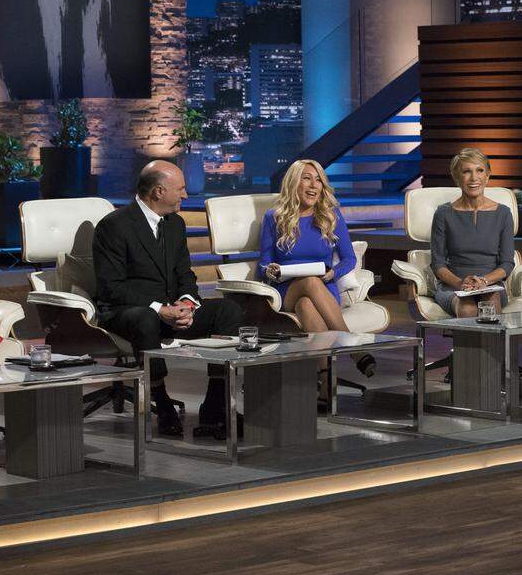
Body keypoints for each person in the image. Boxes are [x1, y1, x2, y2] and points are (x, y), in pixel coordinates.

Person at [93, 160, 243, 439]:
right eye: (181, 189)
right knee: (145, 318)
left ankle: (215, 406)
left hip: (170, 311)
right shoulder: (114, 226)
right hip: (128, 312)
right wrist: (160, 309)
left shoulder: (175, 224)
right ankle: (162, 405)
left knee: (228, 310)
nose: (186, 195)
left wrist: (187, 304)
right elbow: (112, 288)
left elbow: (185, 274)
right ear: (159, 191)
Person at [258, 159, 376, 379]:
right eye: (307, 178)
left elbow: (349, 259)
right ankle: (354, 348)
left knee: (307, 305)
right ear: (294, 183)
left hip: (324, 290)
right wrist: (270, 270)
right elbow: (263, 263)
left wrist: (333, 273)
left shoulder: (330, 216)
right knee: (310, 282)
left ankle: (323, 380)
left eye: (318, 180)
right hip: (287, 289)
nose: (313, 185)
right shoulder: (274, 217)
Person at [430, 148, 514, 318]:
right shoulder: (443, 213)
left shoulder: (503, 213)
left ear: (488, 175)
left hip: (490, 285)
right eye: (466, 171)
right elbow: (438, 264)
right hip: (453, 285)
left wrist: (484, 281)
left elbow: (507, 263)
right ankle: (466, 346)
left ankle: (494, 346)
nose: (474, 178)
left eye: (479, 170)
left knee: (490, 302)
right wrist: (460, 283)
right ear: (457, 177)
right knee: (467, 308)